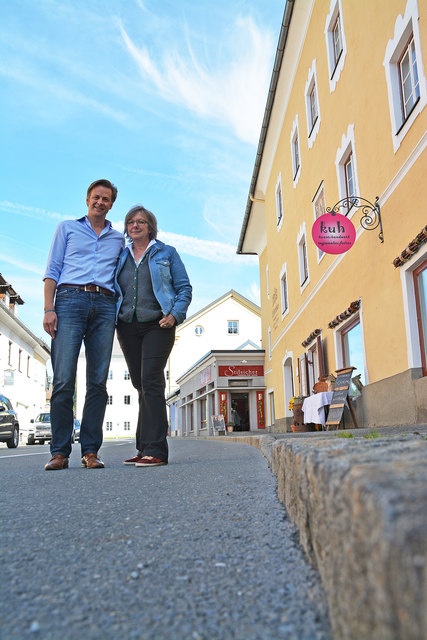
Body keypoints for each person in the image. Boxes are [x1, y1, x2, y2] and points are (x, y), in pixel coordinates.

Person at [43, 179, 125, 470]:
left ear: (111, 204)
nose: (100, 202)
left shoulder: (118, 239)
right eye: (96, 197)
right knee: (64, 378)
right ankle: (60, 452)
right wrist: (49, 308)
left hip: (104, 305)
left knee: (98, 382)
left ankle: (90, 451)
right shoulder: (67, 228)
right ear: (87, 199)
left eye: (106, 199)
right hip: (69, 300)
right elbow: (52, 269)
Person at [115, 205, 192, 467]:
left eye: (141, 222)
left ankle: (157, 450)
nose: (135, 226)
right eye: (130, 222)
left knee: (151, 382)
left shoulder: (166, 253)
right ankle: (143, 447)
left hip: (158, 325)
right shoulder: (121, 255)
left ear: (150, 226)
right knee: (140, 385)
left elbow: (184, 287)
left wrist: (175, 314)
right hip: (127, 326)